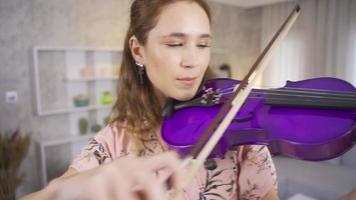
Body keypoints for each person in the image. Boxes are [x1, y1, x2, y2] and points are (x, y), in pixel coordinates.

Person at [20, 0, 278, 199]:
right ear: (137, 50)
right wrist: (58, 192)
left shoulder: (239, 135)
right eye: (175, 44)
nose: (193, 61)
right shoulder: (113, 141)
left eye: (202, 45)